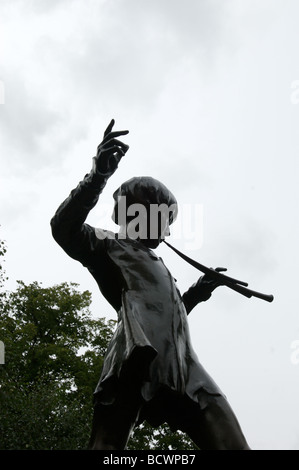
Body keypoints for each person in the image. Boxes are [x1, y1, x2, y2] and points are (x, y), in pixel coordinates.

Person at [51, 119, 250, 450]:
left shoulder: (158, 264)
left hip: (184, 366)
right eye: (165, 221)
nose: (168, 232)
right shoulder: (108, 244)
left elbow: (163, 315)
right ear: (142, 212)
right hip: (135, 360)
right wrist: (97, 177)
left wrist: (197, 294)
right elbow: (63, 228)